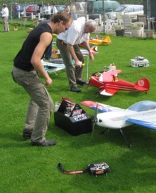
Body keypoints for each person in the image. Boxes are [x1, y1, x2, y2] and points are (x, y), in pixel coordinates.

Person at [12, 11, 73, 147]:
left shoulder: (43, 26)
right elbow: (35, 60)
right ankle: (38, 138)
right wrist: (47, 77)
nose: (65, 31)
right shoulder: (47, 35)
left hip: (19, 70)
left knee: (36, 98)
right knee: (47, 104)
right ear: (60, 23)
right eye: (66, 28)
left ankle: (29, 129)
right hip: (24, 73)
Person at [56, 17, 97, 92]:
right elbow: (69, 45)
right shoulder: (76, 28)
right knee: (69, 65)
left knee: (81, 58)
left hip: (73, 42)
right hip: (63, 42)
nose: (89, 33)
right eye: (90, 31)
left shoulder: (87, 30)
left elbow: (85, 41)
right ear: (86, 26)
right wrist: (76, 60)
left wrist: (90, 52)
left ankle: (78, 79)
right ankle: (72, 85)